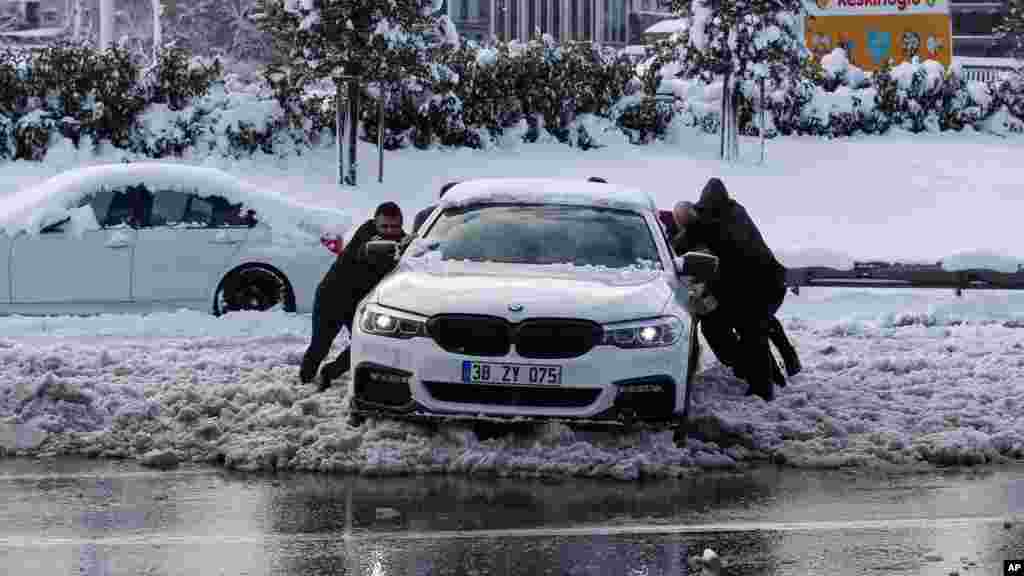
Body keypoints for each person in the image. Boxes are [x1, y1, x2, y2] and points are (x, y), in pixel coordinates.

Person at [673, 181, 800, 401]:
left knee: (751, 333)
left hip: (759, 287)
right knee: (733, 328)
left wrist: (676, 241)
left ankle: (763, 389)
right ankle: (771, 373)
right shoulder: (732, 210)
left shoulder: (715, 221)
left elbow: (686, 240)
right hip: (756, 286)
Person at [300, 202, 407, 391]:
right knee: (320, 345)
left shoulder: (402, 241)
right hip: (332, 296)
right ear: (375, 223)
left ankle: (330, 372)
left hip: (359, 303)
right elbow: (369, 253)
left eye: (395, 227)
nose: (389, 231)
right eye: (384, 226)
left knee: (365, 344)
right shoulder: (366, 234)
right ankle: (304, 382)